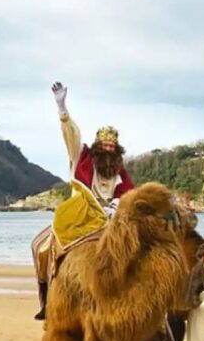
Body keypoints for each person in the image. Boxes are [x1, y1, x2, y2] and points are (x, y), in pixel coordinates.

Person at [31, 81, 134, 320]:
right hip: (81, 216)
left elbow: (128, 194)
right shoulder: (81, 157)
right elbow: (71, 135)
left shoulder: (122, 172)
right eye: (104, 145)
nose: (108, 150)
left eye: (112, 146)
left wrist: (116, 207)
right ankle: (46, 300)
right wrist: (62, 108)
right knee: (40, 246)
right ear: (97, 146)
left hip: (113, 220)